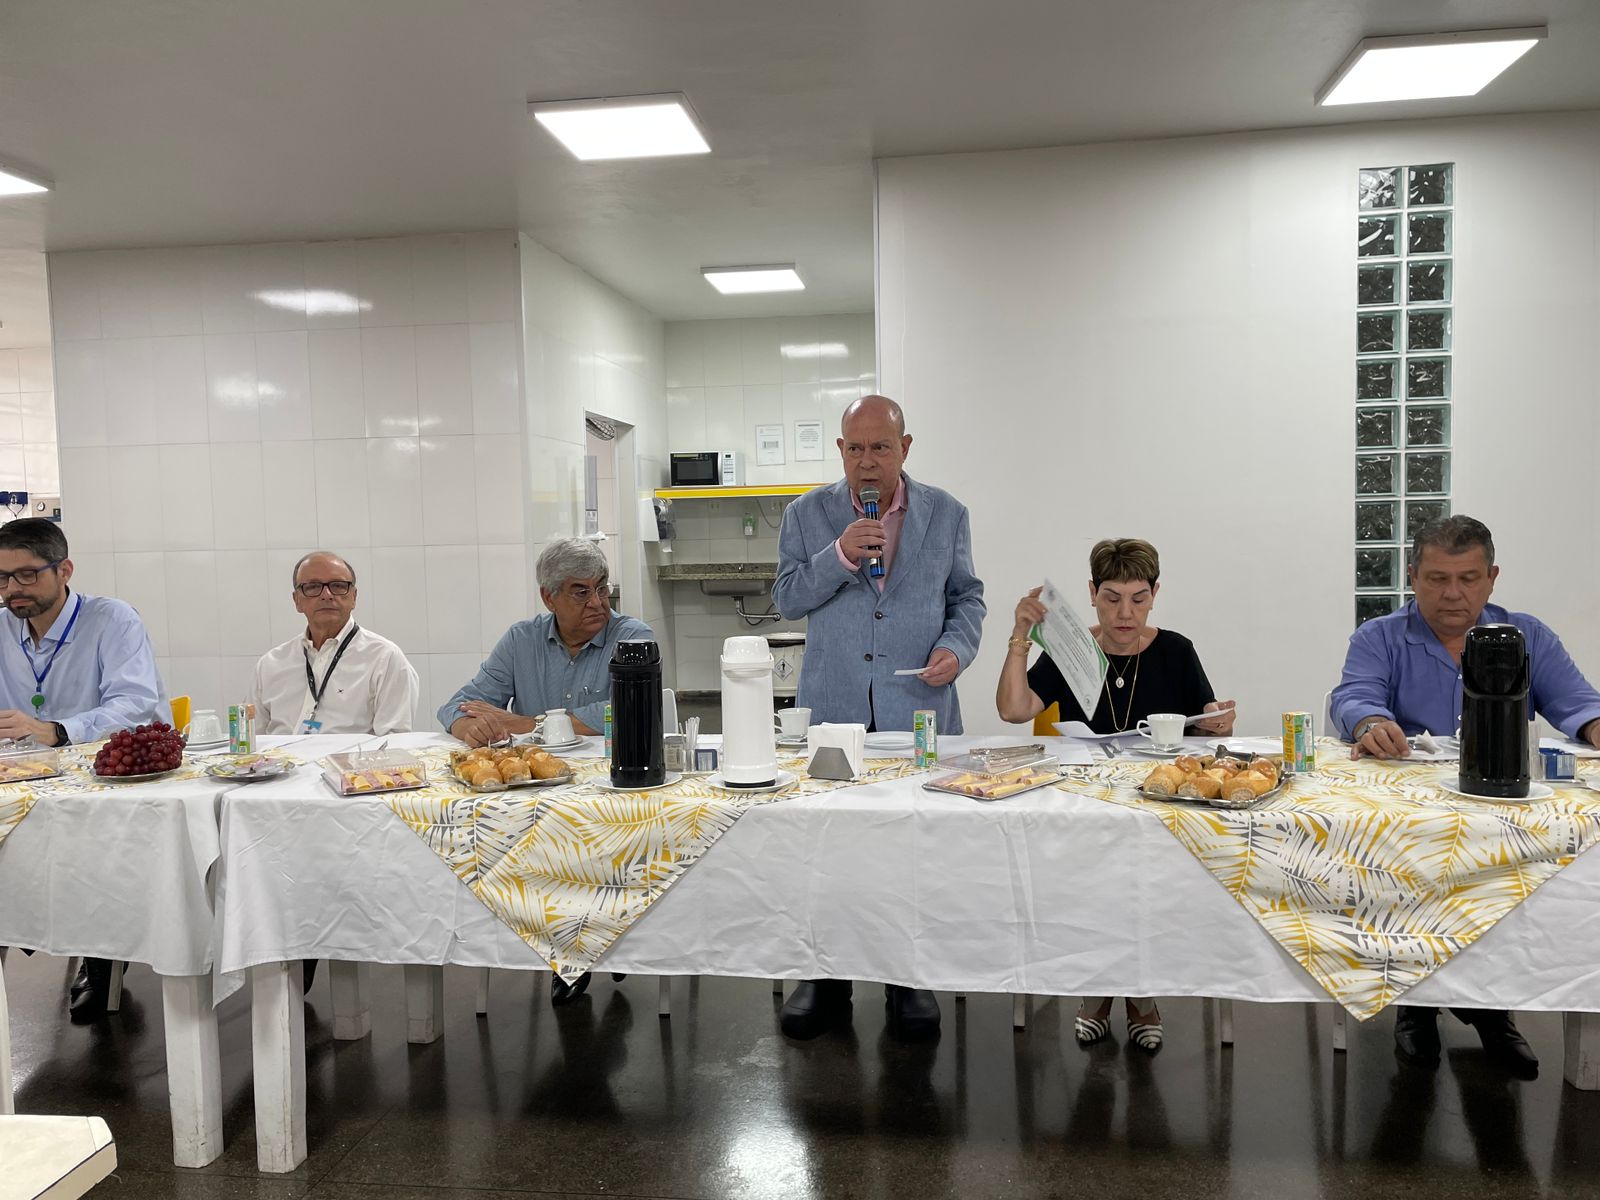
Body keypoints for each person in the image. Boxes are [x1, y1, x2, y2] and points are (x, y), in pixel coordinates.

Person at [1332, 514, 1600, 1076]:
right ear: (1413, 576)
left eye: (1468, 578)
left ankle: (1490, 1008)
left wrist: (1595, 725)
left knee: (1514, 879)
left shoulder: (1526, 636)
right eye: (1437, 579)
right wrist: (1369, 722)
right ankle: (1416, 1006)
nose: (1453, 593)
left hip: (1500, 806)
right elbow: (1353, 695)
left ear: (1492, 578)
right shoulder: (1379, 636)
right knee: (1411, 867)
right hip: (1413, 818)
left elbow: (1577, 702)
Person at [771, 394, 986, 1042]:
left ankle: (907, 977)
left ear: (905, 448)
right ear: (841, 450)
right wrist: (838, 555)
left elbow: (967, 598)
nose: (867, 461)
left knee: (913, 847)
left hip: (917, 708)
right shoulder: (806, 514)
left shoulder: (947, 513)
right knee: (827, 847)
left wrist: (956, 649)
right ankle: (824, 976)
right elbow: (786, 598)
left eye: (881, 448)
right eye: (856, 448)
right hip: (834, 709)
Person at [996, 536, 1236, 1053]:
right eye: (1111, 598)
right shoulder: (1073, 650)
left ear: (1154, 595)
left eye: (1137, 599)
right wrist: (1020, 637)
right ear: (1091, 593)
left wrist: (1217, 723)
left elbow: (1205, 725)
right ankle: (1102, 990)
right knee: (1092, 880)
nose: (1125, 613)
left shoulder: (1176, 650)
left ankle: (1138, 995)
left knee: (1146, 883)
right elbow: (1014, 710)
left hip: (1158, 805)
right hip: (1087, 803)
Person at [436, 537, 651, 1006]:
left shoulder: (632, 636)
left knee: (592, 843)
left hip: (610, 791)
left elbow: (624, 708)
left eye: (602, 588)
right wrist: (470, 726)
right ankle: (568, 946)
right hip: (538, 795)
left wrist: (527, 724)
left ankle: (596, 942)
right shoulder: (522, 639)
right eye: (580, 592)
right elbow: (458, 703)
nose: (597, 603)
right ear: (548, 597)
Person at [0, 518, 166, 1021]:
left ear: (64, 570)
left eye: (27, 575)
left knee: (92, 862)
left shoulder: (111, 620)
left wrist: (55, 729)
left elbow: (136, 705)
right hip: (22, 778)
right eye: (2, 577)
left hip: (102, 776)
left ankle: (102, 959)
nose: (13, 588)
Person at [252, 551, 418, 737]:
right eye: (313, 587)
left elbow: (394, 741)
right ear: (297, 600)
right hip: (279, 757)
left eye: (338, 586)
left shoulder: (384, 658)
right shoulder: (270, 664)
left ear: (354, 597)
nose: (327, 595)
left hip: (351, 757)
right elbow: (252, 740)